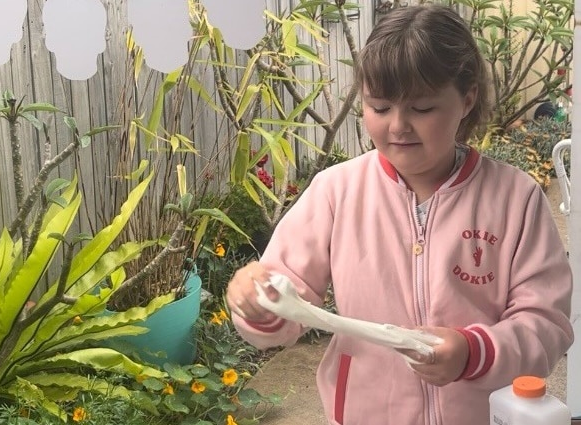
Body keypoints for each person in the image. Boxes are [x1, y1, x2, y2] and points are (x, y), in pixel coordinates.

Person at [226, 4, 574, 425]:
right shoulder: (337, 192)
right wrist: (258, 303)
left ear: (466, 99)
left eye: (422, 109)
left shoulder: (515, 199)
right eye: (380, 107)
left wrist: (473, 351)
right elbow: (288, 295)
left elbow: (546, 324)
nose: (398, 126)